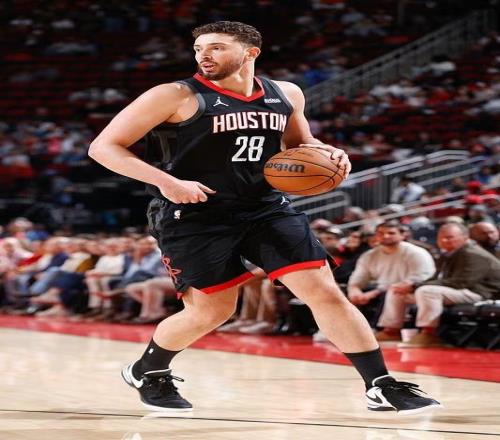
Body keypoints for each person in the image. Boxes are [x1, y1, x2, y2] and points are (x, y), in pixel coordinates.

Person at [89, 21, 439, 414]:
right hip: (194, 213)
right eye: (199, 48)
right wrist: (167, 182)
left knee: (324, 291)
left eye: (217, 47)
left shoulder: (285, 94)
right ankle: (148, 370)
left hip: (265, 206)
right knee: (212, 311)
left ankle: (381, 384)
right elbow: (104, 147)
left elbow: (300, 144)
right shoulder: (175, 94)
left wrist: (326, 153)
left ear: (250, 52)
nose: (204, 55)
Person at [395, 223, 500, 347]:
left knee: (427, 292)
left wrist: (415, 286)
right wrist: (412, 286)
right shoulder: (449, 253)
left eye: (449, 237)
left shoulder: (474, 253)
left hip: (481, 294)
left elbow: (462, 282)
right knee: (397, 291)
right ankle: (391, 331)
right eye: (441, 238)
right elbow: (437, 278)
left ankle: (428, 334)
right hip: (460, 290)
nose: (444, 241)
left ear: (465, 237)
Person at [347, 221, 435, 336]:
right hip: (380, 290)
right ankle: (345, 331)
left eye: (391, 233)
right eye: (381, 233)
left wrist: (375, 292)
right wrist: (354, 291)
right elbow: (357, 279)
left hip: (409, 291)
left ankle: (382, 331)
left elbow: (421, 279)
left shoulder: (417, 253)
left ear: (402, 235)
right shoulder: (369, 255)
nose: (385, 236)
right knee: (343, 292)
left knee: (390, 293)